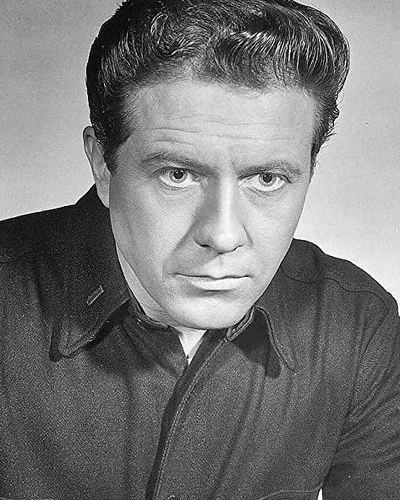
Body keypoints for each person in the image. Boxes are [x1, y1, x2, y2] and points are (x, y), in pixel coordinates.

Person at [0, 0, 399, 498]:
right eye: (177, 174)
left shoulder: (359, 325)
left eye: (267, 179)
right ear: (103, 164)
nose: (223, 235)